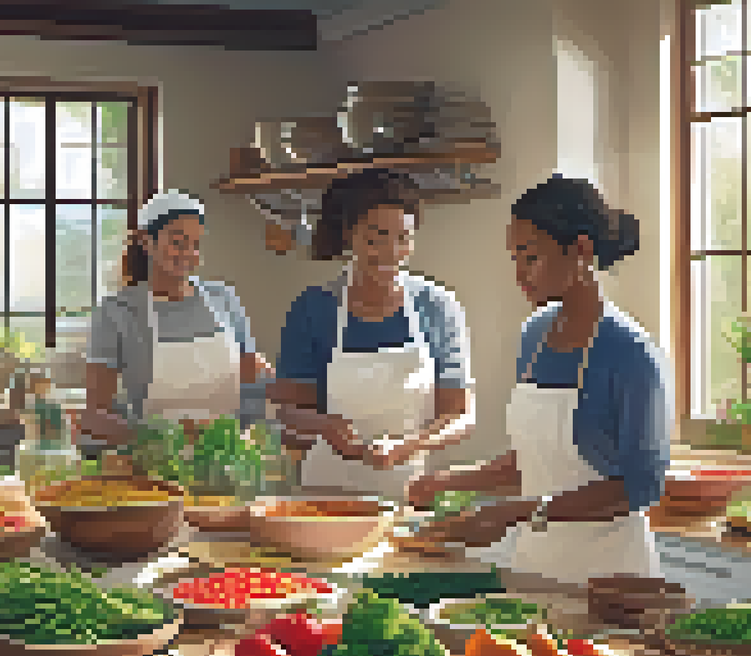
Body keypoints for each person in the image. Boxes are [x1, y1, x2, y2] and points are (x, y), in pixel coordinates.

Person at [408, 175, 672, 586]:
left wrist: (516, 512)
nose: (519, 275)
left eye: (530, 257)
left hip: (612, 576)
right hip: (535, 563)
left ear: (581, 250)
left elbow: (640, 488)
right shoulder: (534, 336)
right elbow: (534, 462)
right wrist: (449, 481)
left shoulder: (631, 353)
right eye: (514, 257)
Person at [269, 169, 475, 500]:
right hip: (324, 495)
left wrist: (408, 446)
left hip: (410, 492)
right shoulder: (313, 308)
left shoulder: (438, 306)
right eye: (376, 237)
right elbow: (288, 408)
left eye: (403, 238)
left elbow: (460, 415)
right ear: (349, 234)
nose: (390, 251)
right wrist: (326, 426)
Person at [80, 189, 273, 447]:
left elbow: (254, 374)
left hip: (225, 463)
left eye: (195, 244)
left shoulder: (222, 298)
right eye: (177, 242)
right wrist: (158, 440)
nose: (188, 253)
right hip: (154, 467)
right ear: (147, 242)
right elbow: (95, 415)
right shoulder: (117, 311)